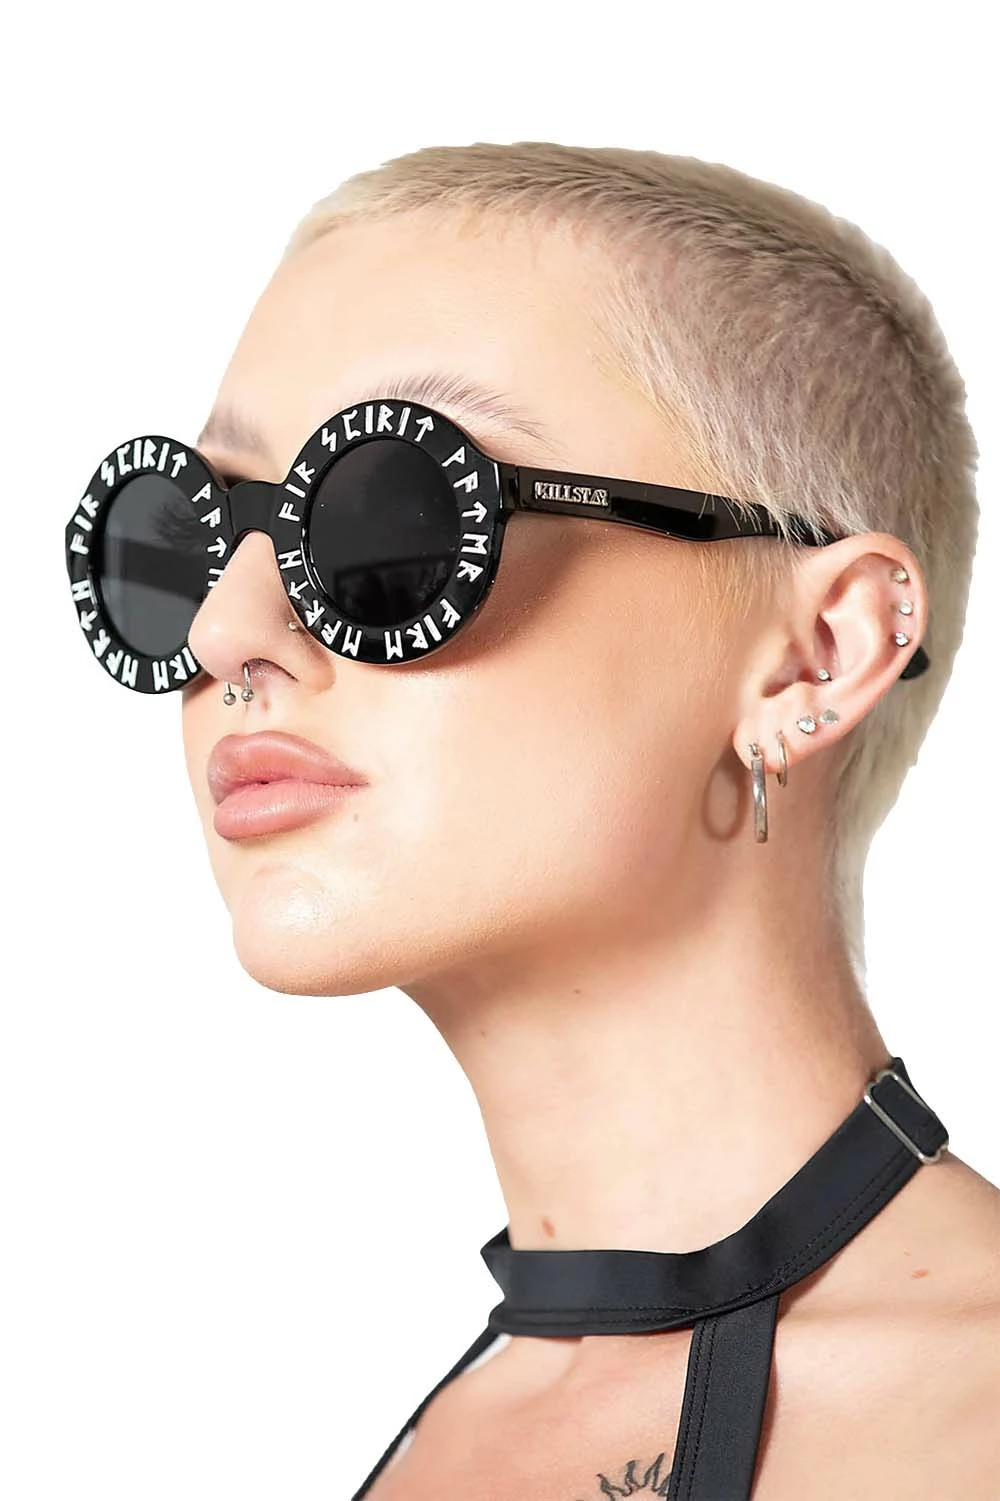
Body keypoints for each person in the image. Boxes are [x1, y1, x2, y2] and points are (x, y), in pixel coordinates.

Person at [79, 141, 999, 1496]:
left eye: (391, 518)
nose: (226, 630)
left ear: (818, 654)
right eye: (193, 534)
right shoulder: (456, 1430)